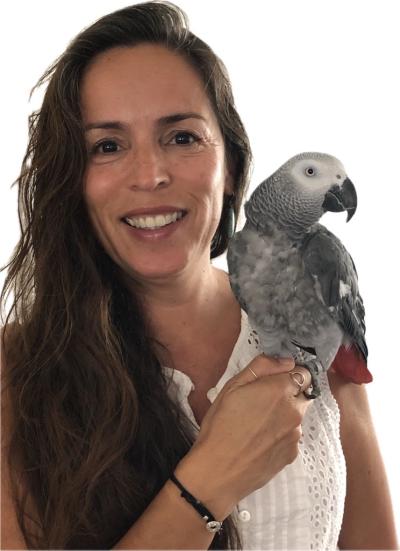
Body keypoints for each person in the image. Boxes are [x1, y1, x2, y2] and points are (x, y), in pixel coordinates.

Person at [0, 2, 398, 549]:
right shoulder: (14, 375)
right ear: (73, 180)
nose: (151, 175)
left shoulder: (318, 332)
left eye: (182, 137)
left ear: (232, 167)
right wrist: (211, 480)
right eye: (108, 146)